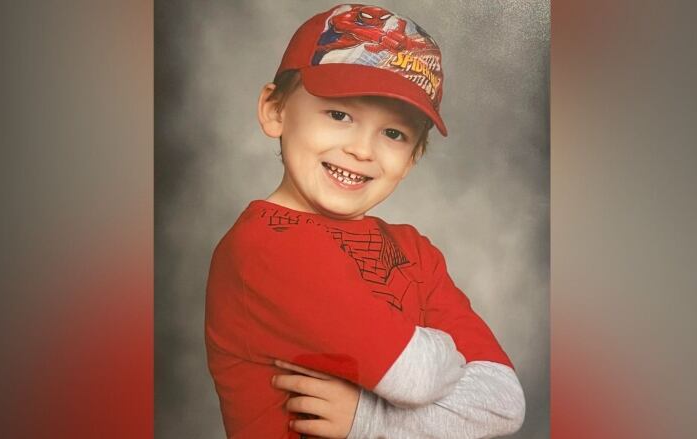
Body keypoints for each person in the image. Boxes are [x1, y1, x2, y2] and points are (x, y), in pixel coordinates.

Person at [205, 4, 526, 438]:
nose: (362, 149)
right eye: (339, 115)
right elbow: (415, 376)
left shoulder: (416, 251)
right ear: (274, 110)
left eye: (394, 133)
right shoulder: (263, 247)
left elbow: (504, 404)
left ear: (412, 158)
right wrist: (442, 356)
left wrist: (370, 419)